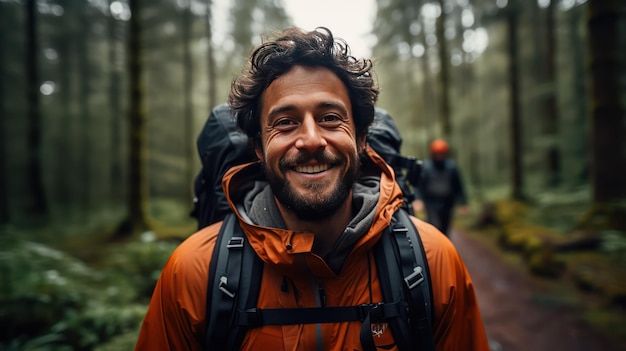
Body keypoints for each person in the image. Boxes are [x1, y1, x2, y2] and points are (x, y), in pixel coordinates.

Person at [135, 27, 489, 350]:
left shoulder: (434, 263)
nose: (310, 140)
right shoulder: (194, 272)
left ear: (361, 138)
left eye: (330, 118)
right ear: (259, 147)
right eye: (285, 122)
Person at [413, 138, 469, 236]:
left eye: (441, 153)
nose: (439, 156)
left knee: (445, 228)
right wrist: (418, 199)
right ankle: (434, 248)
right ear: (432, 153)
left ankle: (444, 249)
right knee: (434, 226)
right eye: (437, 153)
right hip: (431, 202)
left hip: (447, 202)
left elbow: (458, 185)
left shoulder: (451, 167)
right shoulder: (426, 167)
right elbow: (419, 185)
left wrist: (463, 203)